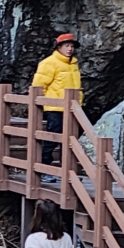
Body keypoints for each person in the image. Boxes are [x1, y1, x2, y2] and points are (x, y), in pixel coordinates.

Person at [31, 33, 82, 165]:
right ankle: (44, 166)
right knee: (53, 136)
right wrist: (41, 103)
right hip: (55, 107)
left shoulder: (73, 64)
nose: (70, 49)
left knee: (70, 138)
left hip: (72, 107)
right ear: (59, 47)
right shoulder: (49, 63)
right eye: (66, 46)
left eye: (71, 46)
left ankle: (67, 170)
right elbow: (38, 85)